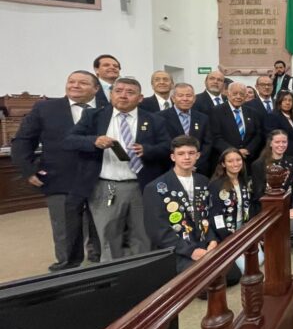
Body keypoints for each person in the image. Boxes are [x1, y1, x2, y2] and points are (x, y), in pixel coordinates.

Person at [65, 77, 170, 262]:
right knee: (108, 235)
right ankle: (113, 278)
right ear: (111, 94)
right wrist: (93, 141)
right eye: (119, 91)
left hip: (142, 187)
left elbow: (167, 147)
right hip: (106, 187)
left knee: (143, 235)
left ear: (140, 98)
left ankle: (140, 272)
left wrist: (148, 150)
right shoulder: (94, 116)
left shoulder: (154, 120)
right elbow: (70, 141)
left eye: (130, 92)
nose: (123, 95)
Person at [12, 70, 101, 271]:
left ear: (96, 89)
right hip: (60, 177)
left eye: (83, 83)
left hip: (98, 177)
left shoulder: (105, 110)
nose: (75, 86)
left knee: (99, 225)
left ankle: (98, 263)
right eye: (71, 81)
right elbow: (23, 140)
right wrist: (28, 170)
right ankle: (67, 266)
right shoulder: (45, 108)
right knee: (65, 227)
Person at [142, 136, 241, 285]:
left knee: (233, 276)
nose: (187, 157)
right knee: (208, 284)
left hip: (205, 244)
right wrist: (191, 251)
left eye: (191, 153)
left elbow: (209, 215)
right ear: (172, 157)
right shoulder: (155, 188)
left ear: (198, 156)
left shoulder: (203, 181)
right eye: (181, 154)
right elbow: (157, 230)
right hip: (179, 250)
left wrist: (212, 240)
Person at [251, 130, 293, 246]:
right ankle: (271, 244)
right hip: (267, 211)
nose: (281, 145)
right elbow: (258, 195)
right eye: (277, 142)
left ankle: (274, 244)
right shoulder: (258, 165)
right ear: (270, 143)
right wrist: (284, 211)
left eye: (284, 142)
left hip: (289, 207)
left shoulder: (292, 161)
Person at [158, 83, 213, 175]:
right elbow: (162, 144)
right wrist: (179, 164)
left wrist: (195, 164)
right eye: (180, 95)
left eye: (189, 95)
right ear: (173, 98)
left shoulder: (203, 118)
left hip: (198, 169)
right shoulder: (160, 117)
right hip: (169, 169)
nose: (185, 99)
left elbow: (208, 143)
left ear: (194, 99)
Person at [207, 148, 255, 248]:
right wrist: (228, 238)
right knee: (243, 263)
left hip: (244, 227)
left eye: (238, 160)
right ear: (223, 164)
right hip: (225, 233)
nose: (235, 163)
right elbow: (216, 217)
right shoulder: (216, 185)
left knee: (259, 258)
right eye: (230, 161)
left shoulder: (244, 181)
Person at [210, 82, 263, 167]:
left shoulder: (252, 112)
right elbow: (215, 137)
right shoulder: (216, 111)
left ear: (245, 96)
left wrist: (248, 149)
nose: (238, 97)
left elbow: (258, 134)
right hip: (226, 160)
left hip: (247, 160)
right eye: (235, 94)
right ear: (228, 94)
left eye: (241, 94)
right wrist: (234, 152)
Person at [272, 90, 293, 159]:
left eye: (290, 100)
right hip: (282, 154)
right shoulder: (273, 116)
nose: (287, 103)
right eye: (284, 100)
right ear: (279, 102)